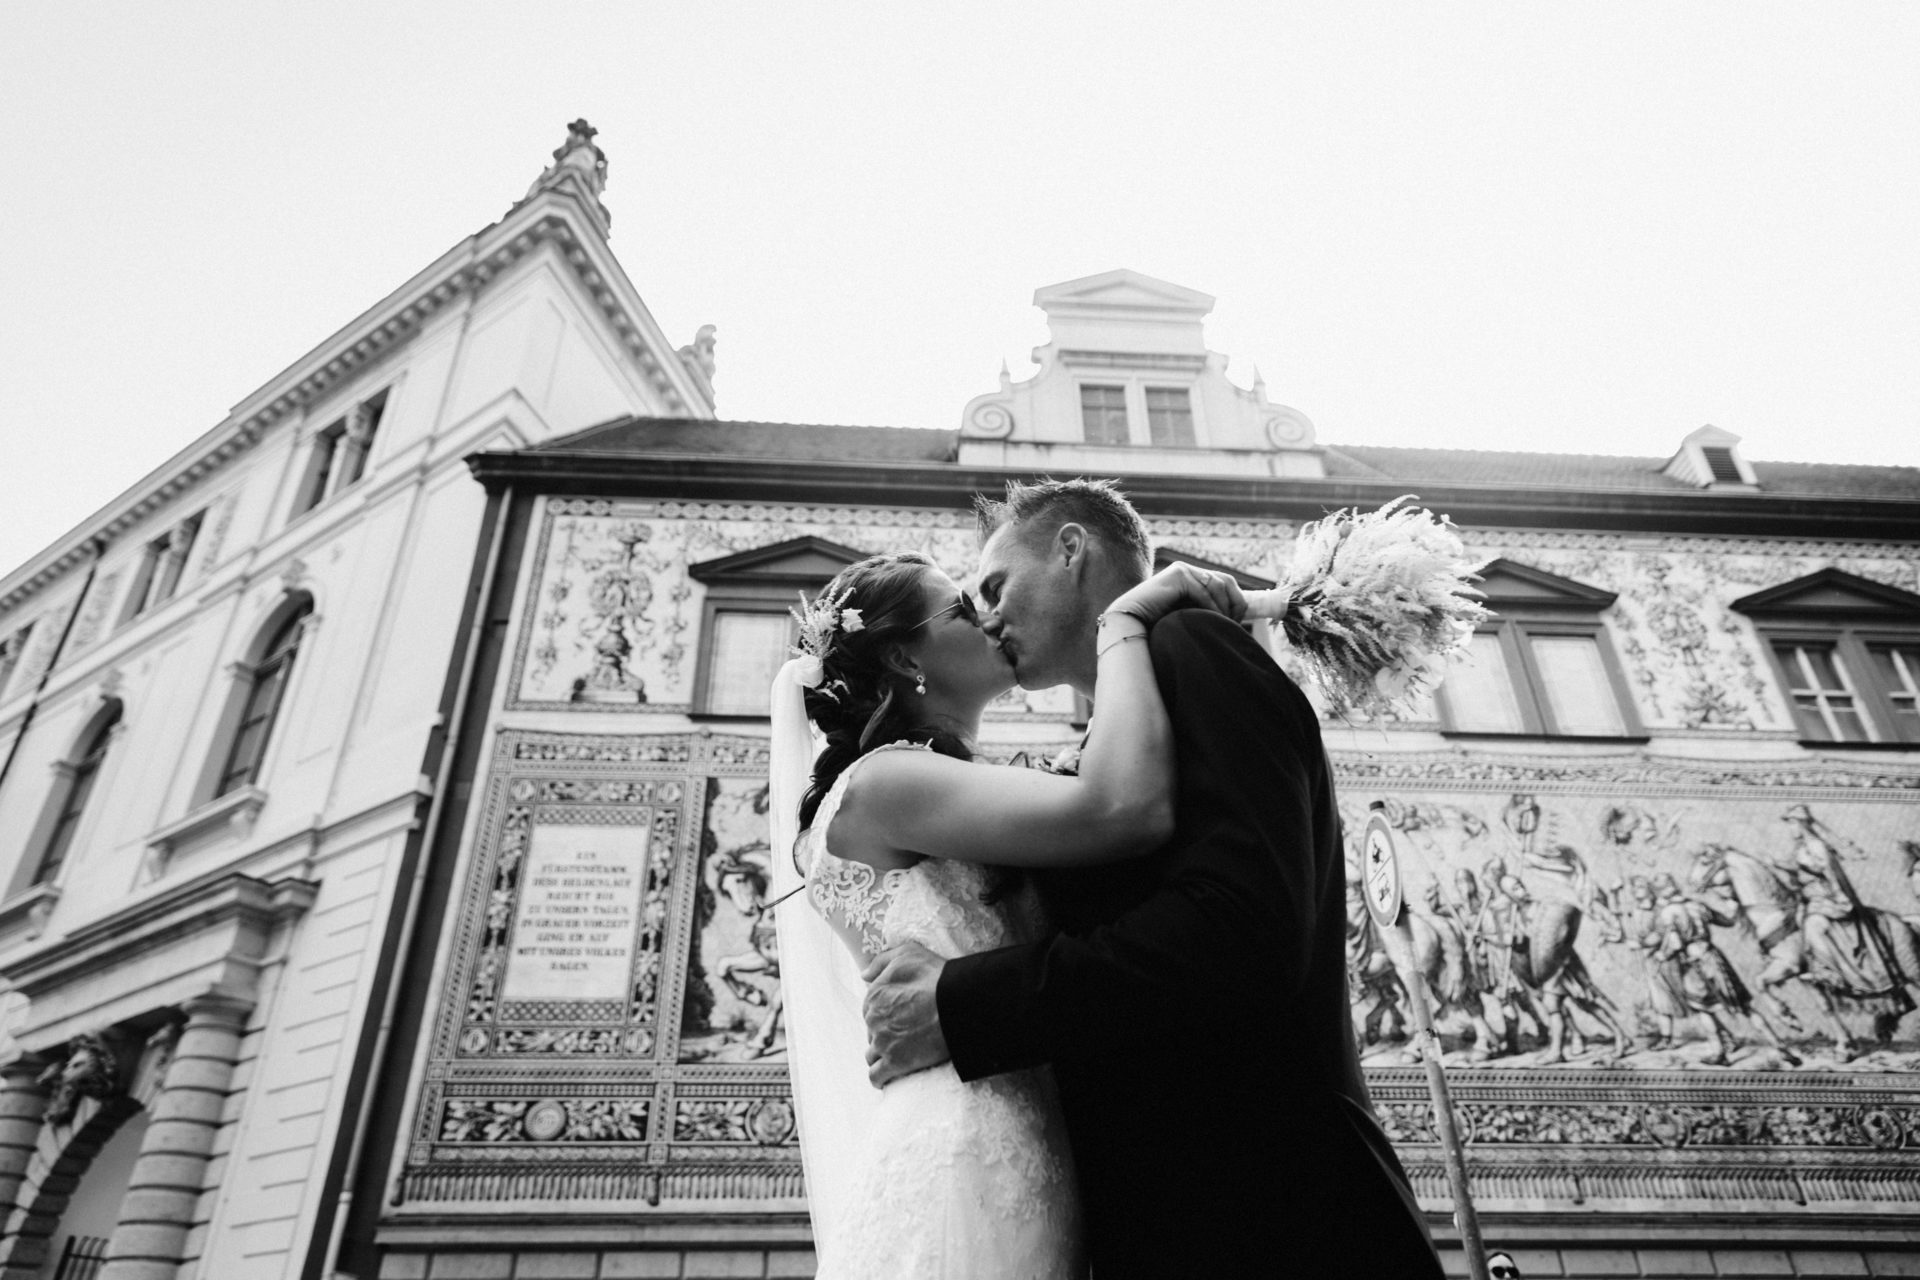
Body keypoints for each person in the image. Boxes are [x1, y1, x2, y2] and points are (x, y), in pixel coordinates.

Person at [862, 478, 1444, 1278]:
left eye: (995, 587)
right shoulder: (1116, 731)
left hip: (1278, 1211)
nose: (987, 618)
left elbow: (1240, 930)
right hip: (1174, 1218)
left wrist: (961, 1002)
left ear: (1071, 549)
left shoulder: (1191, 649)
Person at [768, 544, 1245, 1279]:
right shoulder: (887, 782)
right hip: (963, 1148)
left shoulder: (949, 786)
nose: (990, 617)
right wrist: (1125, 618)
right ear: (903, 658)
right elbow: (1124, 809)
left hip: (1027, 1142)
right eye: (961, 607)